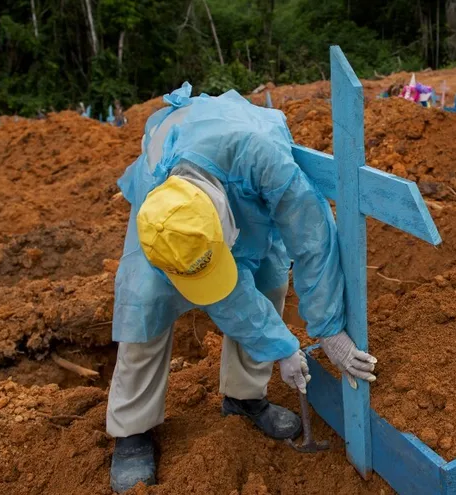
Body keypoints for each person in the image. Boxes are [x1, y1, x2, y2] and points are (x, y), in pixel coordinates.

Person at [107, 82, 377, 493]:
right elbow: (226, 297)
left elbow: (312, 239)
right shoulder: (156, 202)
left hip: (240, 180)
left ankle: (244, 396)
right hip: (169, 211)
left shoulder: (265, 160)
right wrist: (283, 347)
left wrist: (327, 328)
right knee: (144, 299)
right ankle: (132, 431)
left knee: (268, 275)